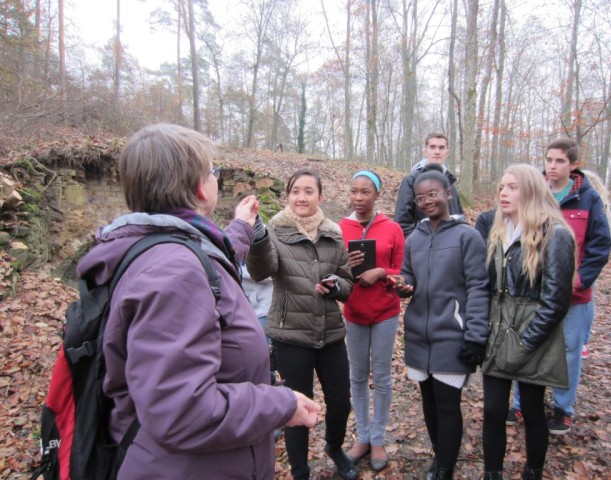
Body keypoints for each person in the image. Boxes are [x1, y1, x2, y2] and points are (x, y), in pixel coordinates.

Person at [77, 124, 320, 479]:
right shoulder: (174, 271)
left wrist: (241, 226)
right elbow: (182, 410)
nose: (216, 178)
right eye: (213, 170)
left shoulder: (154, 244)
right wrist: (279, 404)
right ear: (197, 187)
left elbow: (211, 259)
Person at [246, 169, 358, 480]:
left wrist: (336, 286)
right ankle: (300, 471)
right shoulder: (274, 232)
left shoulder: (333, 234)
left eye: (309, 191)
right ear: (288, 196)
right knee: (295, 408)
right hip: (290, 334)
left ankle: (335, 448)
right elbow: (260, 272)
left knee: (340, 402)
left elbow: (348, 284)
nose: (302, 197)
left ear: (320, 197)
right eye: (296, 191)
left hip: (331, 332)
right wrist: (256, 239)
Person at [389, 170, 489, 480]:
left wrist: (475, 336)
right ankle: (439, 456)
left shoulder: (467, 236)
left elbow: (478, 287)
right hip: (419, 334)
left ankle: (445, 469)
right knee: (429, 404)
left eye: (433, 194)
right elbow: (409, 276)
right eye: (421, 197)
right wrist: (403, 285)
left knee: (447, 404)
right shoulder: (414, 238)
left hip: (452, 334)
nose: (427, 201)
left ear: (447, 193)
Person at [507, 139, 611, 434]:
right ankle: (519, 403)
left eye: (560, 161)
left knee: (568, 350)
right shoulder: (533, 193)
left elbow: (601, 245)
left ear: (573, 165)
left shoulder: (587, 198)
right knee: (526, 341)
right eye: (549, 160)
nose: (552, 166)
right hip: (532, 291)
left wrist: (581, 279)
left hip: (574, 296)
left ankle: (563, 408)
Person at [481, 164, 576, 480]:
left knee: (533, 409)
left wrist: (526, 341)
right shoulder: (497, 230)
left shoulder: (555, 234)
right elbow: (489, 286)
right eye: (501, 187)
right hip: (498, 329)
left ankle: (532, 471)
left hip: (533, 332)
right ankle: (492, 472)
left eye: (512, 187)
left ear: (531, 190)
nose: (503, 193)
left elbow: (556, 301)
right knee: (493, 410)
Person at [338, 170, 405, 472]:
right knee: (357, 376)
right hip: (353, 312)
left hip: (384, 313)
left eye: (366, 192)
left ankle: (378, 438)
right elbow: (332, 269)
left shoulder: (392, 228)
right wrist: (345, 269)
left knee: (382, 377)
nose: (359, 197)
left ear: (377, 194)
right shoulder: (340, 227)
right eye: (354, 191)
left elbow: (403, 270)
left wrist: (383, 273)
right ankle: (362, 436)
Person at [394, 133, 464, 237]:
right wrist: (424, 243)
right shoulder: (411, 180)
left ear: (447, 152)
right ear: (425, 151)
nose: (437, 152)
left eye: (441, 148)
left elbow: (459, 217)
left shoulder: (450, 182)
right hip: (423, 247)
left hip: (451, 246)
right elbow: (402, 223)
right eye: (432, 147)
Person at [581, 170, 611, 358]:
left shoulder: (597, 203)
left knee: (587, 297)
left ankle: (583, 341)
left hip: (587, 262)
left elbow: (607, 235)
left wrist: (590, 261)